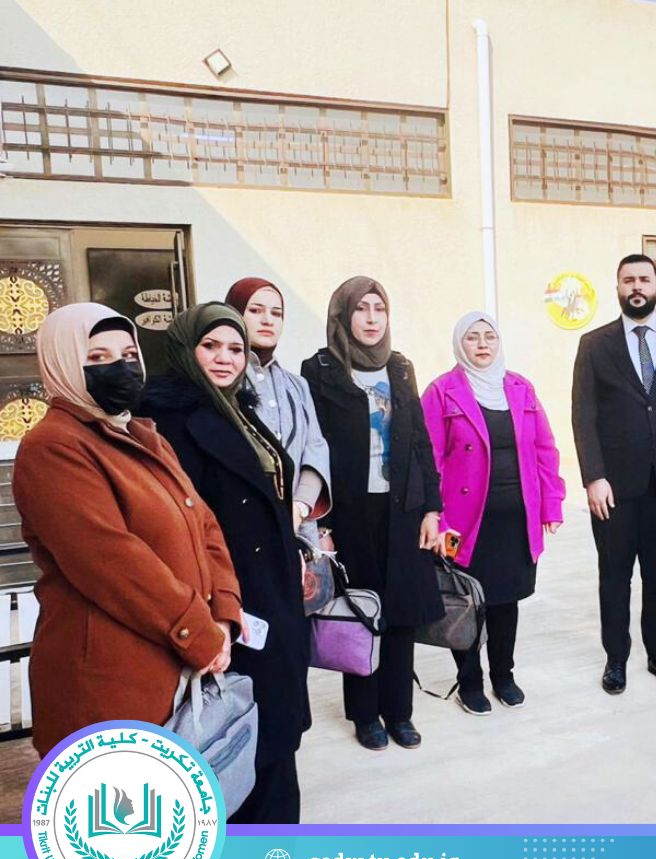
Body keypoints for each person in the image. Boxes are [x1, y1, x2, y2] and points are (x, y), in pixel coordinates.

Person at [14, 303, 237, 758]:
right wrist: (199, 634)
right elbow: (112, 561)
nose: (121, 367)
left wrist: (223, 614)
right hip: (109, 684)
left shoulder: (143, 435)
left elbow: (203, 523)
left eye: (129, 354)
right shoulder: (53, 447)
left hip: (176, 663)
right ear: (64, 362)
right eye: (98, 357)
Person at [140, 302, 308, 823]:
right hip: (229, 600)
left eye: (236, 348)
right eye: (210, 346)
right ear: (185, 350)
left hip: (272, 591)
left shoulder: (237, 407)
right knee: (241, 738)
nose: (225, 358)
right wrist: (212, 612)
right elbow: (178, 528)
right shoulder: (167, 422)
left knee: (275, 735)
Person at [302, 276, 445, 751]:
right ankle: (365, 714)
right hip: (350, 512)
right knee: (361, 609)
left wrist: (432, 509)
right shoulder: (320, 369)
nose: (370, 318)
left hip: (403, 509)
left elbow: (420, 441)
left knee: (401, 614)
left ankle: (399, 712)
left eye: (378, 308)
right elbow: (313, 448)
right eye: (360, 309)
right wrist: (321, 523)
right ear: (343, 316)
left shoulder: (400, 367)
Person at [571, 254, 656, 695]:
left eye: (644, 279)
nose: (637, 286)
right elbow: (583, 414)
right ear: (617, 287)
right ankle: (616, 659)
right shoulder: (595, 344)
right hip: (613, 486)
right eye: (628, 280)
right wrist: (593, 476)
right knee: (614, 576)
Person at [422, 311, 566, 715]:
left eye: (489, 336)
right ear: (459, 344)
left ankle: (504, 676)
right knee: (465, 601)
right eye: (472, 337)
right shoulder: (441, 392)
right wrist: (436, 518)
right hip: (462, 524)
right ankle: (470, 681)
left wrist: (552, 504)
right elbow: (429, 459)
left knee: (506, 600)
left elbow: (544, 449)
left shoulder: (520, 388)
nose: (482, 344)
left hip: (515, 520)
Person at [225, 276, 332, 536]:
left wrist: (300, 506)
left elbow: (315, 448)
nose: (267, 320)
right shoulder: (225, 382)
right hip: (245, 527)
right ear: (234, 314)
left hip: (299, 527)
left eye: (276, 313)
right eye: (255, 310)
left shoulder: (297, 386)